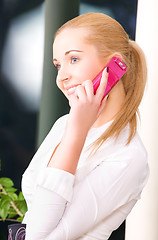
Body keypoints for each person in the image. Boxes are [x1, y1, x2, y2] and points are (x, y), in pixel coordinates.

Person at [22, 13, 149, 240]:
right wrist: (76, 126)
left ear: (115, 65)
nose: (62, 77)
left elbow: (37, 235)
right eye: (58, 65)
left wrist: (77, 131)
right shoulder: (65, 124)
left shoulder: (128, 157)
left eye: (73, 60)